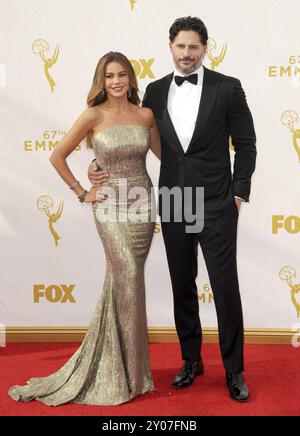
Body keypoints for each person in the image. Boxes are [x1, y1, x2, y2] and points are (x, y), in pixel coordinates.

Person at [88, 17, 257, 402]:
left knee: (225, 287)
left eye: (194, 47)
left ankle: (234, 370)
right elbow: (130, 137)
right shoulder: (155, 90)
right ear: (170, 47)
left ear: (204, 48)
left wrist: (238, 193)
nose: (187, 53)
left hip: (215, 202)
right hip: (175, 201)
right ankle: (191, 360)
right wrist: (98, 166)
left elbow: (246, 145)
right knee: (183, 285)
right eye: (180, 47)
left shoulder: (228, 88)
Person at [8, 51, 161, 406]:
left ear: (131, 79)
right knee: (125, 276)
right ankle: (120, 374)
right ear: (101, 81)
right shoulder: (93, 115)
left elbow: (167, 158)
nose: (117, 81)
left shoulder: (145, 114)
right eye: (109, 76)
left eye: (122, 75)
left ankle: (134, 374)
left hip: (142, 204)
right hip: (109, 206)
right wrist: (82, 190)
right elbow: (57, 155)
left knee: (128, 281)